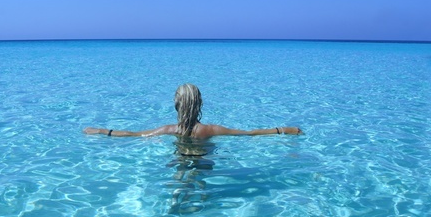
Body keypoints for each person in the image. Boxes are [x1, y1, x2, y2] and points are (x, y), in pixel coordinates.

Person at [83, 83, 303, 138]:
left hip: (179, 153)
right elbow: (248, 134)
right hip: (204, 159)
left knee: (181, 170)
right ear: (199, 104)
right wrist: (282, 129)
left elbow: (134, 135)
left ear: (176, 105)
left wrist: (102, 131)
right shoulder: (212, 130)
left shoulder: (170, 130)